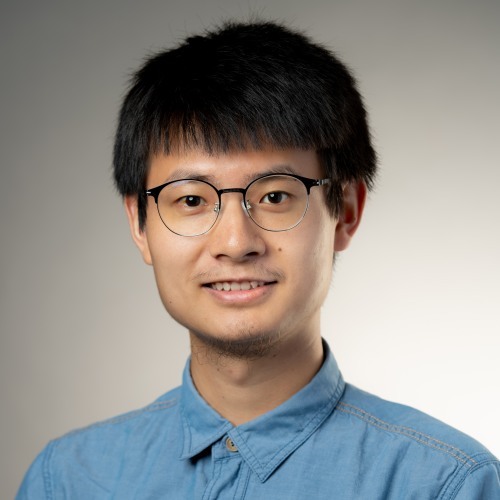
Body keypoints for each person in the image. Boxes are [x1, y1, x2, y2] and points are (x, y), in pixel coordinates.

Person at [17, 20, 499, 499]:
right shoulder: (68, 480)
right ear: (139, 225)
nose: (234, 241)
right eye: (191, 201)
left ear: (346, 212)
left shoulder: (446, 484)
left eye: (274, 196)